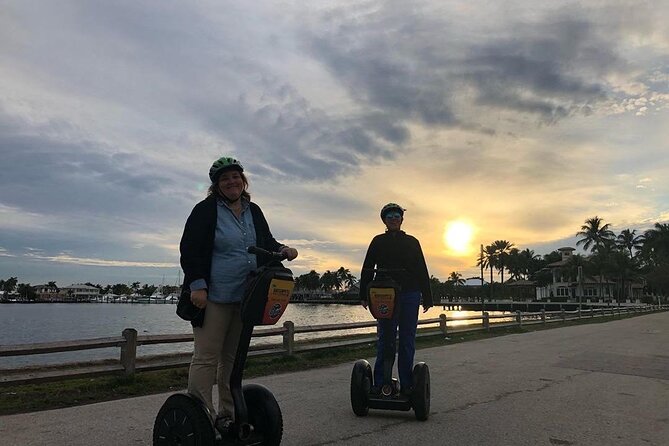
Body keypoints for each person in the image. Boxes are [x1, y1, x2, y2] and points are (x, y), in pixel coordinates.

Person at [179, 156, 298, 429]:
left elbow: (266, 242)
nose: (231, 182)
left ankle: (229, 415)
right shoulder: (206, 210)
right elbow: (190, 249)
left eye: (235, 177)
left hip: (246, 296)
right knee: (207, 357)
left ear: (243, 181)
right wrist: (197, 285)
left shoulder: (253, 210)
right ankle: (201, 418)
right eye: (225, 179)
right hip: (213, 298)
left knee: (231, 360)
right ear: (216, 185)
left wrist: (283, 250)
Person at [359, 202, 433, 395]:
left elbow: (421, 269)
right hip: (384, 293)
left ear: (401, 219)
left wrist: (428, 296)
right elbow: (367, 267)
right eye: (389, 216)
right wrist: (363, 294)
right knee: (386, 338)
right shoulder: (377, 241)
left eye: (396, 215)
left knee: (407, 338)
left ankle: (407, 384)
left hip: (409, 292)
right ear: (384, 220)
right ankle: (381, 384)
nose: (393, 218)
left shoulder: (412, 242)